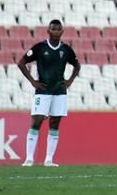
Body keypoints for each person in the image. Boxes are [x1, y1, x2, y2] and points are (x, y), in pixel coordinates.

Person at [16, 19, 80, 167]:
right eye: (53, 29)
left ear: (62, 32)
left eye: (59, 29)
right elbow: (21, 62)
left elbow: (77, 64)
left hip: (59, 91)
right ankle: (29, 159)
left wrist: (70, 80)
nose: (56, 32)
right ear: (48, 31)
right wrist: (33, 81)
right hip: (43, 91)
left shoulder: (66, 50)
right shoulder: (40, 47)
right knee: (37, 121)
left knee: (55, 123)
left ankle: (49, 159)